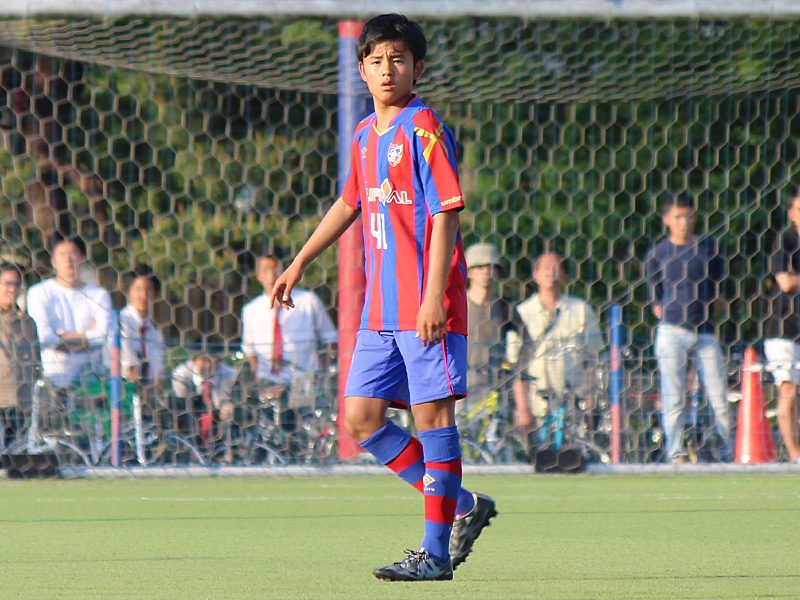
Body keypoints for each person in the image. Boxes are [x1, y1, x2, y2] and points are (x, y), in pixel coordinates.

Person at [270, 14, 496, 582]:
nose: (386, 69)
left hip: (427, 308)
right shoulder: (364, 136)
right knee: (360, 419)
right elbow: (349, 203)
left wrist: (433, 296)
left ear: (418, 68)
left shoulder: (425, 128)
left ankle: (435, 555)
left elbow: (445, 213)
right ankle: (462, 504)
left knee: (432, 420)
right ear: (362, 70)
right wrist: (299, 261)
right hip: (380, 311)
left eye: (398, 58)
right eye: (376, 60)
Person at [645, 193, 732, 464]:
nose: (684, 222)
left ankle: (727, 451)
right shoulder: (658, 254)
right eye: (678, 217)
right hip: (672, 331)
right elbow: (656, 297)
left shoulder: (708, 249)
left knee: (719, 396)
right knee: (674, 396)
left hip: (705, 332)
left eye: (688, 216)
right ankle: (676, 452)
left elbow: (718, 289)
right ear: (667, 219)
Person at [510, 253, 603, 433]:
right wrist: (522, 409)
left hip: (574, 405)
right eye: (545, 268)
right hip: (536, 405)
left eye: (556, 268)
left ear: (565, 276)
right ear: (535, 275)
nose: (550, 272)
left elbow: (593, 359)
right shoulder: (522, 313)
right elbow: (516, 367)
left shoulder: (581, 310)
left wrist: (591, 398)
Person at [242, 254, 337, 407]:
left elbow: (330, 339)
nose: (271, 274)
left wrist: (322, 372)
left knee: (303, 416)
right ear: (258, 275)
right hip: (268, 382)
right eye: (266, 270)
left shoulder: (307, 301)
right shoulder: (251, 310)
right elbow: (249, 350)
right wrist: (259, 379)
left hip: (303, 379)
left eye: (275, 269)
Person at [26, 234, 111, 389]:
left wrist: (62, 336)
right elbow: (45, 338)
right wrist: (85, 336)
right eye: (62, 254)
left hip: (91, 380)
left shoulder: (98, 294)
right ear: (53, 261)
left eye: (73, 253)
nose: (68, 260)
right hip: (53, 378)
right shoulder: (38, 292)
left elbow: (102, 336)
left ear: (83, 258)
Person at [763, 188, 800, 463]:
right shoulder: (785, 241)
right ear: (792, 214)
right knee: (788, 390)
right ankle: (793, 453)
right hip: (783, 330)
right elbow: (785, 283)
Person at [464, 243, 512, 405]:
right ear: (469, 272)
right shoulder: (458, 305)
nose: (486, 271)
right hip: (461, 388)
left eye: (492, 267)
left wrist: (515, 368)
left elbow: (528, 341)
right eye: (480, 267)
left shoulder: (504, 307)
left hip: (495, 390)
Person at [0, 262, 40, 447]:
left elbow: (36, 360)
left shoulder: (27, 322)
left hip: (21, 400)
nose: (12, 289)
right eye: (7, 283)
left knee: (16, 451)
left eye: (16, 284)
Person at [111, 264, 165, 387]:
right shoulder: (120, 322)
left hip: (148, 392)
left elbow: (159, 373)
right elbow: (126, 362)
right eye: (138, 289)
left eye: (149, 290)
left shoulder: (154, 333)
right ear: (128, 291)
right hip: (122, 388)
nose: (144, 295)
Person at [171, 353, 236, 447]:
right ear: (193, 361)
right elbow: (182, 405)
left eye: (212, 360)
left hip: (218, 418)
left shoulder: (230, 375)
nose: (208, 365)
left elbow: (227, 401)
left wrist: (226, 406)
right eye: (204, 360)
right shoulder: (181, 375)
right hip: (191, 417)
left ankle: (224, 448)